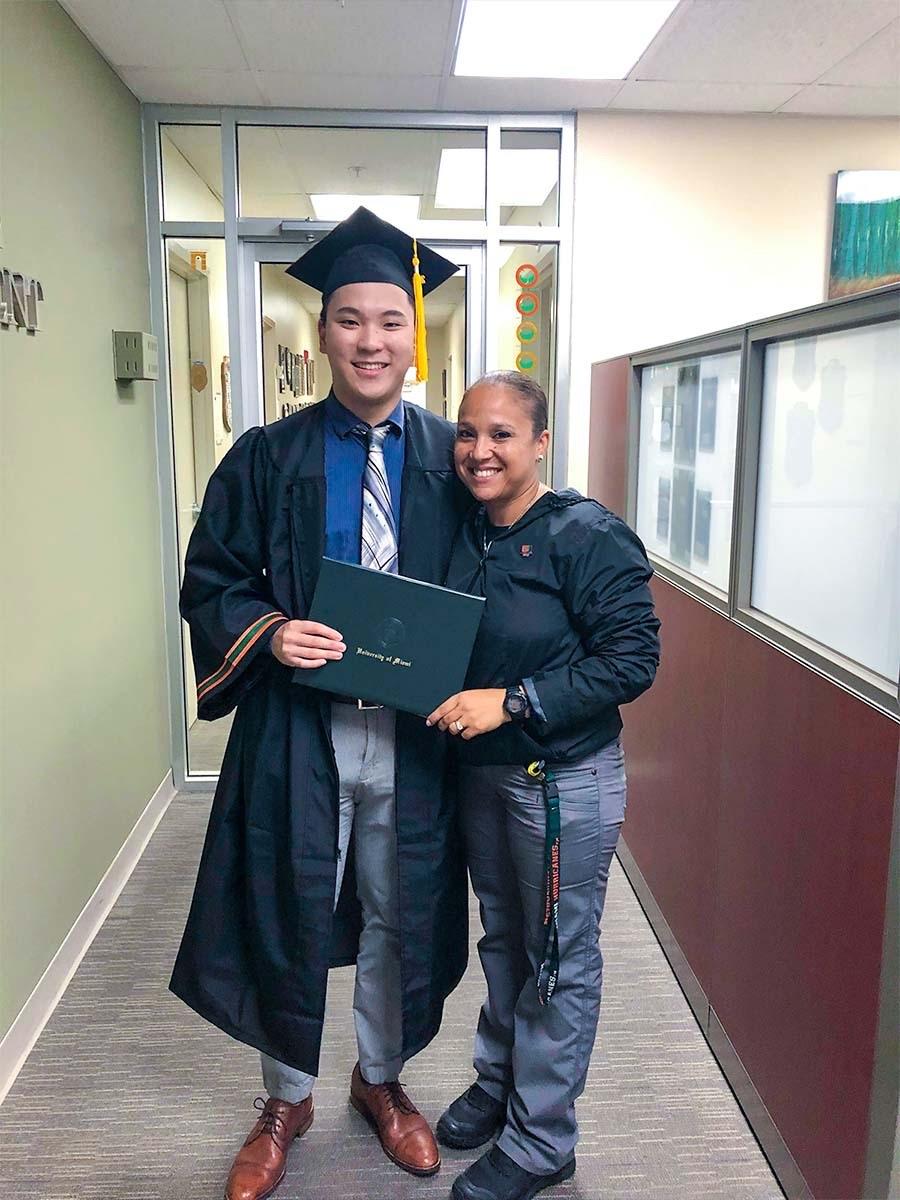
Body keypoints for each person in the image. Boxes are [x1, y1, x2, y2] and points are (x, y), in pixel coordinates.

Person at [170, 208, 472, 1200]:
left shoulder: (451, 458)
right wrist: (269, 631)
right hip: (301, 730)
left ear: (412, 333)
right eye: (350, 319)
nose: (371, 339)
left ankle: (379, 1080)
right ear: (324, 331)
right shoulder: (269, 455)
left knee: (400, 907)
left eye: (390, 319)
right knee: (288, 900)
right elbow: (211, 575)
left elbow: (499, 583)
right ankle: (285, 1096)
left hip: (417, 734)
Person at [426, 371, 661, 1200]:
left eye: (499, 434)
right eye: (466, 433)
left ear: (539, 443)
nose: (479, 450)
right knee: (504, 942)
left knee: (558, 957)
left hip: (562, 782)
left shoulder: (585, 534)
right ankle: (500, 1085)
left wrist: (515, 701)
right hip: (484, 779)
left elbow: (633, 661)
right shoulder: (468, 531)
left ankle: (542, 1138)